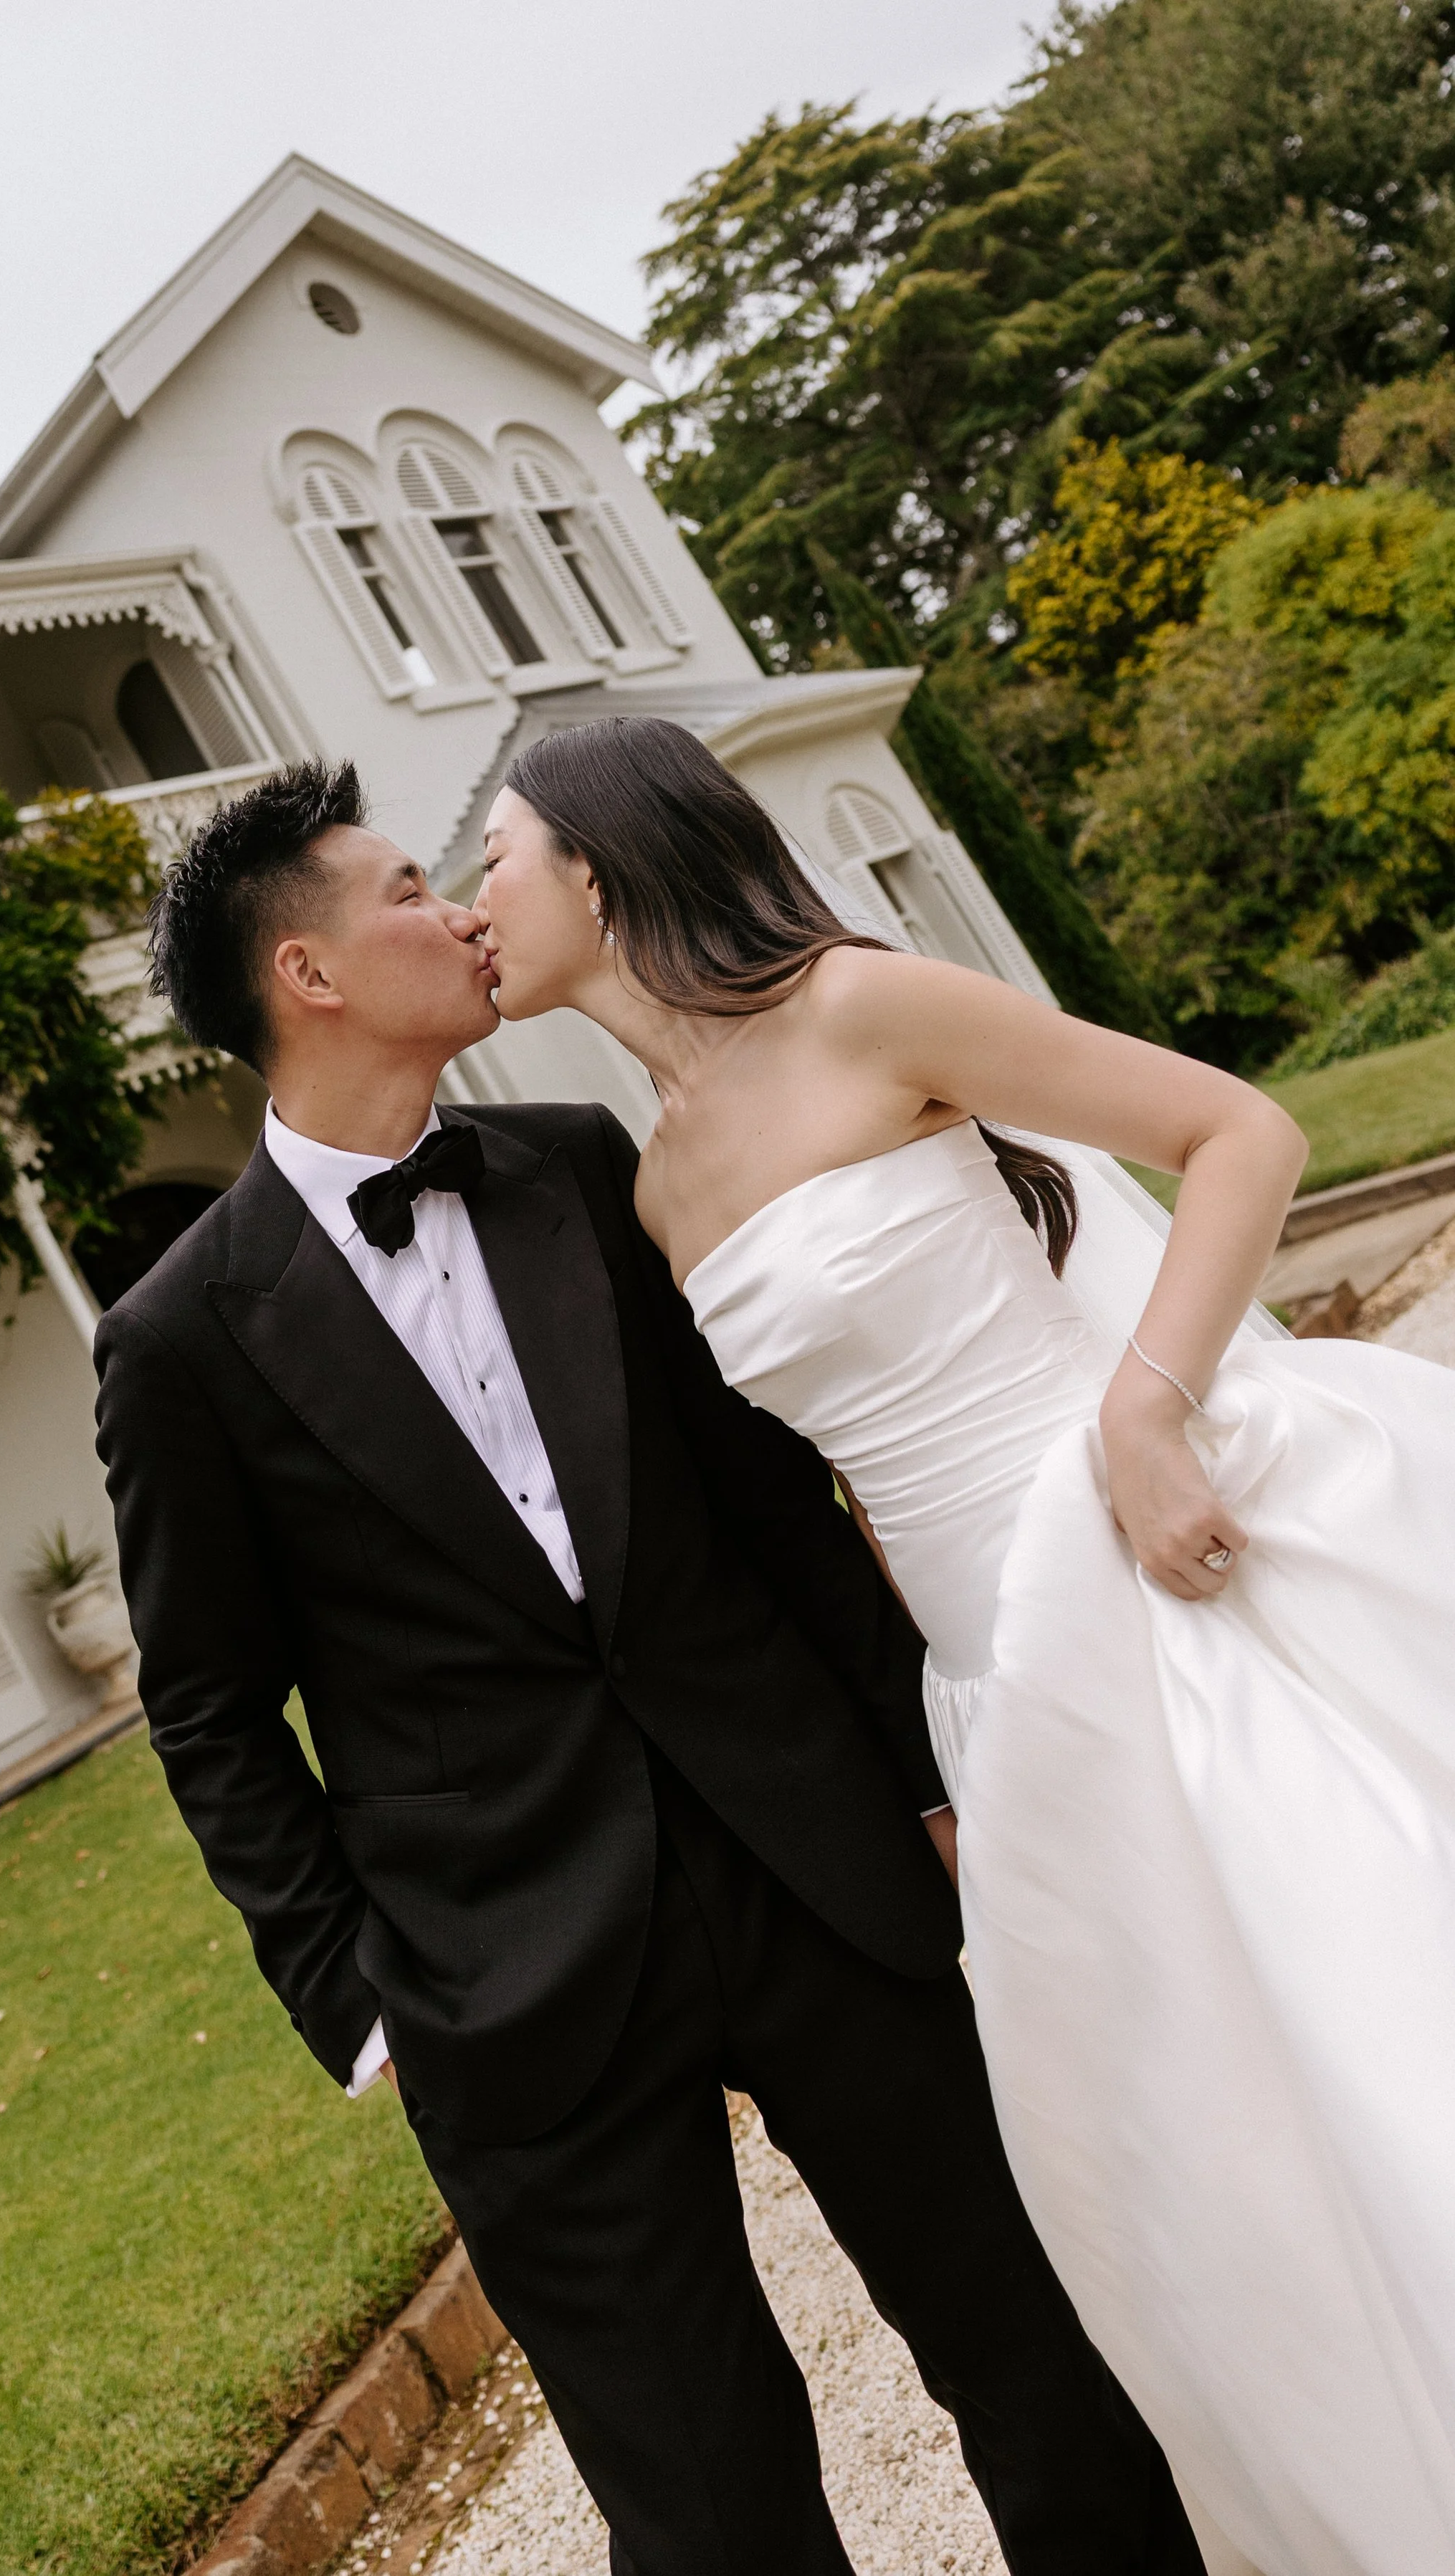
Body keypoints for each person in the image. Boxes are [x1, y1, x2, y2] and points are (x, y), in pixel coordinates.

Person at [94, 758, 1208, 2576]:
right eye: (400, 891)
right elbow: (206, 1705)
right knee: (703, 2500)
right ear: (305, 975)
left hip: (804, 1858)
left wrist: (911, 1785)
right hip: (506, 1964)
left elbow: (767, 1503)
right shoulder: (178, 1340)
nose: (456, 909)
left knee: (1033, 2348)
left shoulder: (576, 1170)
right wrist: (361, 1997)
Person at [474, 712, 1455, 2576]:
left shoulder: (858, 1007)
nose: (475, 900)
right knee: (1190, 2165)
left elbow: (1237, 1130)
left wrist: (1149, 1415)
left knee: (1359, 2016)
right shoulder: (654, 1181)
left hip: (1152, 1571)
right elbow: (807, 1495)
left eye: (496, 856)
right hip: (990, 1699)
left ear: (596, 867)